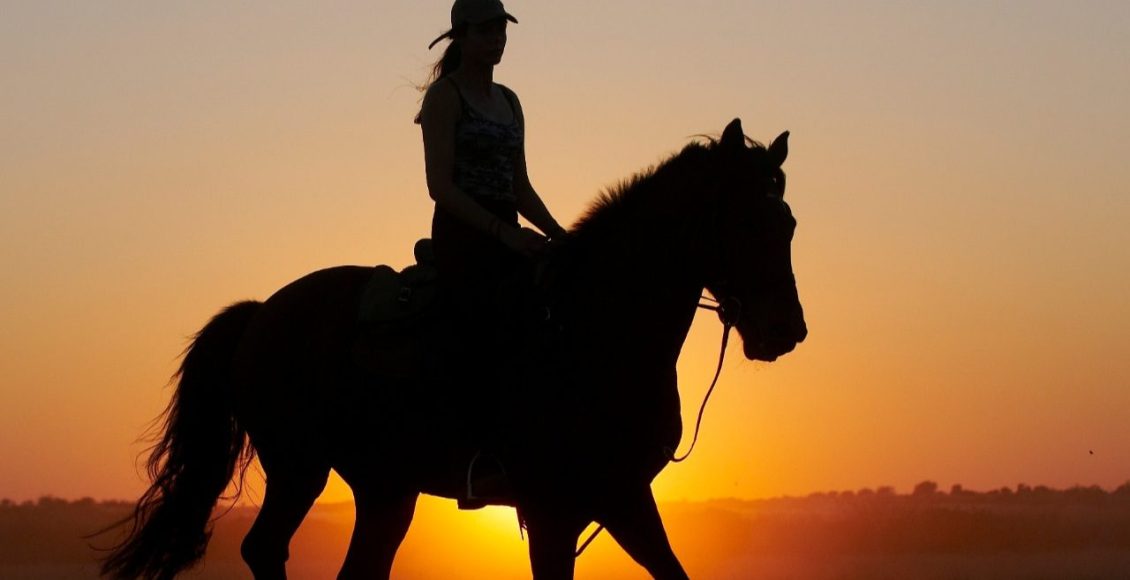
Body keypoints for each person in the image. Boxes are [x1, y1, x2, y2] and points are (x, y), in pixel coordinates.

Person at [415, 0, 566, 507]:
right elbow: (441, 187)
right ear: (461, 36)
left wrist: (561, 235)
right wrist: (505, 234)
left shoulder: (510, 101)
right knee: (487, 326)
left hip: (510, 231)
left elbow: (520, 184)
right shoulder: (445, 97)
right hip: (464, 236)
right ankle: (481, 458)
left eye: (501, 30)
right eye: (486, 31)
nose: (497, 40)